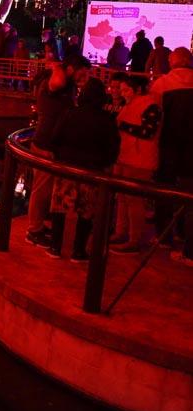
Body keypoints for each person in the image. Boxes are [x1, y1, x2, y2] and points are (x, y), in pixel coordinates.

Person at [47, 79, 120, 261]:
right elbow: (113, 148)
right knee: (86, 211)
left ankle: (55, 246)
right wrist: (103, 163)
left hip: (67, 168)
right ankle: (78, 250)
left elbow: (54, 138)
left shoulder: (69, 113)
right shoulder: (106, 120)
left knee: (60, 207)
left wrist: (60, 156)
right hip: (92, 171)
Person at [26, 54, 91, 247]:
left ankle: (39, 224)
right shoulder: (54, 81)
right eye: (82, 73)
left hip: (52, 144)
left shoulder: (67, 85)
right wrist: (57, 66)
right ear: (71, 68)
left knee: (47, 190)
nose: (84, 77)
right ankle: (34, 230)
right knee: (41, 190)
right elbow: (57, 82)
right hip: (44, 144)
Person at [110, 74, 162, 254]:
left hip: (140, 161)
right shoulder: (129, 104)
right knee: (122, 198)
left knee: (134, 201)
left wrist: (123, 126)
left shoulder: (152, 106)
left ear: (138, 90)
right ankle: (121, 232)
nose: (122, 93)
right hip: (125, 157)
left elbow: (148, 132)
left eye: (126, 90)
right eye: (122, 90)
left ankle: (134, 239)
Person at [152, 48, 193, 257]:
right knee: (189, 194)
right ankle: (186, 238)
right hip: (191, 150)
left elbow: (154, 116)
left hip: (168, 146)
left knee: (164, 189)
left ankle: (164, 235)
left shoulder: (162, 84)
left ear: (173, 62)